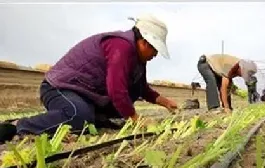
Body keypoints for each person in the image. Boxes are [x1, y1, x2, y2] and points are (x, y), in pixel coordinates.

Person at [0, 14, 178, 144]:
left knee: (109, 112)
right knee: (79, 118)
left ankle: (90, 116)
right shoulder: (121, 47)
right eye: (155, 50)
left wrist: (165, 102)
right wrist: (136, 119)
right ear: (144, 42)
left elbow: (141, 88)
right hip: (60, 89)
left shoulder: (138, 59)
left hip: (85, 96)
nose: (155, 55)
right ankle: (18, 126)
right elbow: (116, 89)